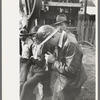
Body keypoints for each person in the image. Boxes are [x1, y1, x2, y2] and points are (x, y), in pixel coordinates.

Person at [35, 23, 87, 100]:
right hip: (63, 79)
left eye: (48, 43)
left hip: (71, 83)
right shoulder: (62, 39)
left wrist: (53, 60)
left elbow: (71, 70)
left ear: (52, 36)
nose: (48, 46)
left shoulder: (70, 44)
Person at [19, 28, 34, 94]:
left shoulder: (30, 42)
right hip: (22, 60)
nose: (21, 37)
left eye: (23, 36)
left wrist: (28, 62)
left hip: (28, 61)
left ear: (26, 36)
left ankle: (23, 94)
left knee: (24, 80)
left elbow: (32, 53)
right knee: (21, 79)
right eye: (20, 35)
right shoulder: (20, 41)